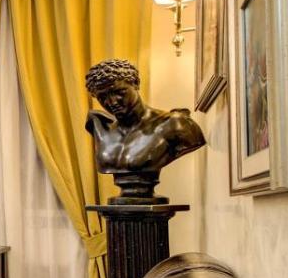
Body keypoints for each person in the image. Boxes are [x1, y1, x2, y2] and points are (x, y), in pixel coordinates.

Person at [84, 59, 204, 204]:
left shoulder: (174, 124)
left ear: (136, 84)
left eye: (119, 92)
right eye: (103, 97)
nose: (112, 102)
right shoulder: (102, 129)